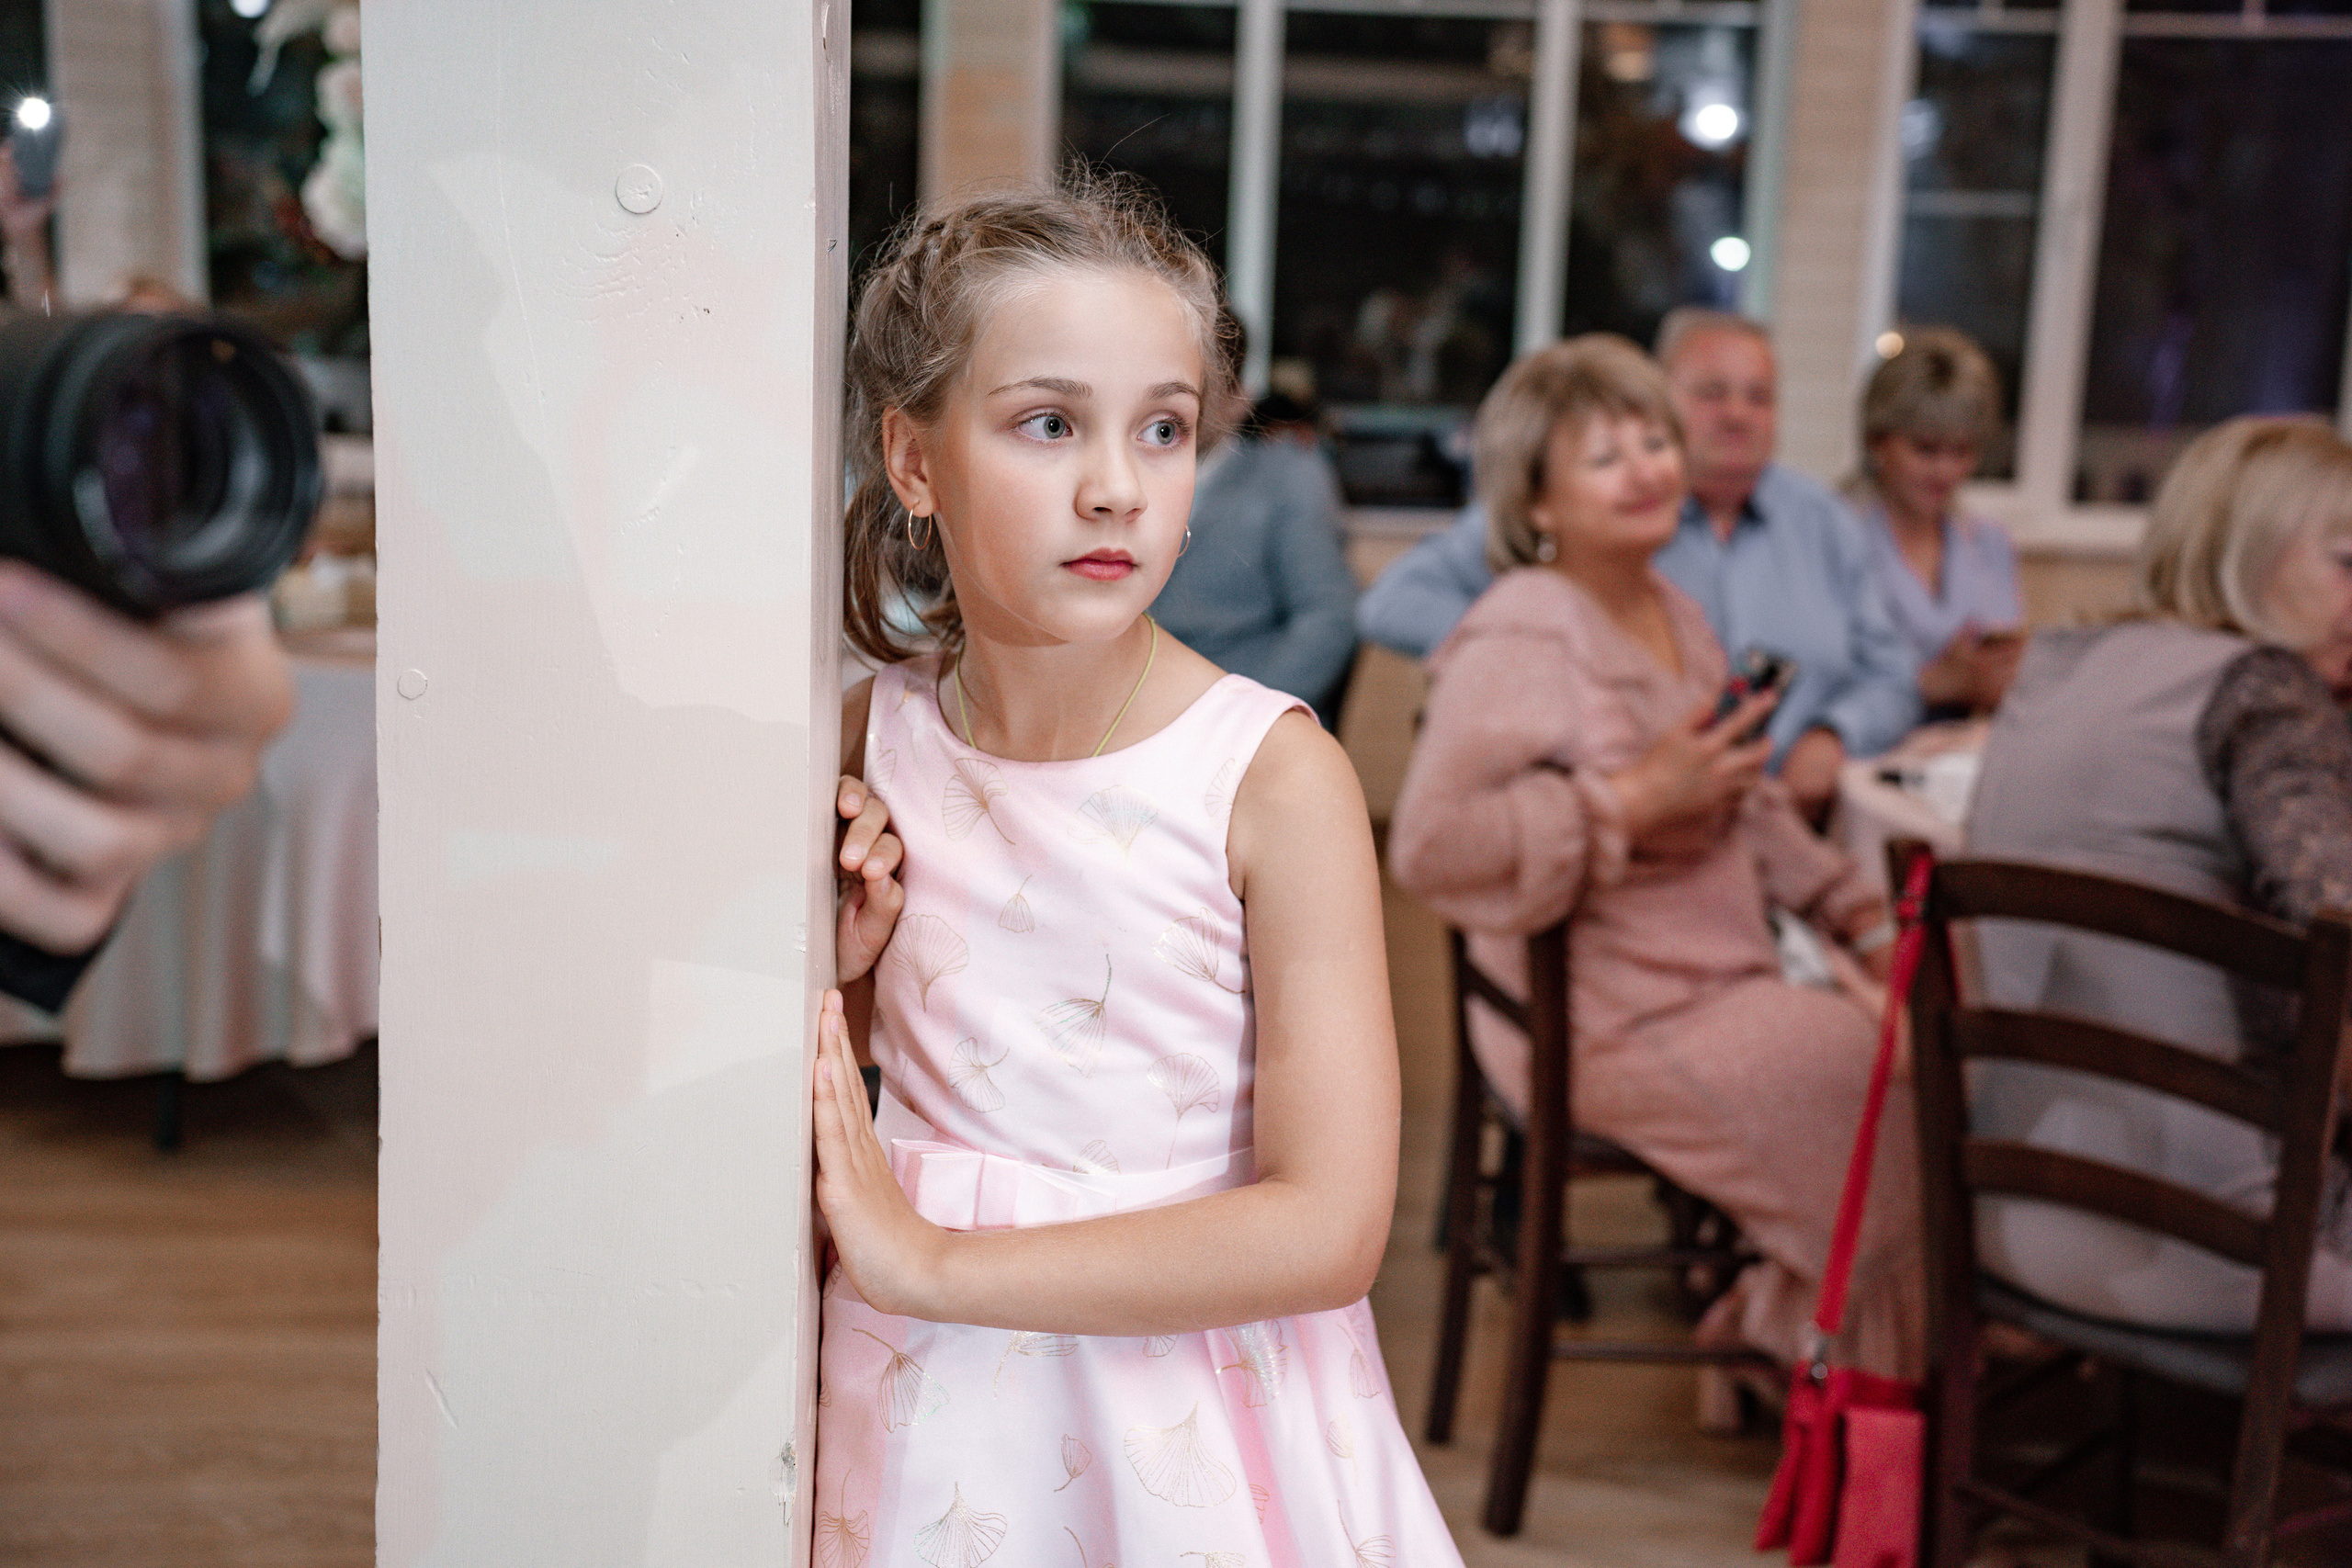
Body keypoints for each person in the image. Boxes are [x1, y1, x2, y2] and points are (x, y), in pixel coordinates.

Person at [808, 181, 1462, 1564]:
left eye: (1162, 429)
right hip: (927, 1412)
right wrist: (845, 973)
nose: (1118, 483)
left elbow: (1332, 1224)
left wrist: (931, 1261)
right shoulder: (877, 736)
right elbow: (855, 1099)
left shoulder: (1274, 778)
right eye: (1049, 423)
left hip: (1186, 1431)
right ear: (913, 460)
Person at [1386, 334, 1923, 1384]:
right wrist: (1629, 802)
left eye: (1651, 441)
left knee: (1914, 1058)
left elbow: (1741, 803)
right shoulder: (1529, 629)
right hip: (1607, 1010)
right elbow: (1432, 848)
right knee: (1898, 1089)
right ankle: (1831, 1350)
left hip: (1706, 975)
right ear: (1536, 505)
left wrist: (1854, 912)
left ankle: (1798, 1321)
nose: (1646, 469)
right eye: (1603, 457)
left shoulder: (1668, 609)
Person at [1965, 415, 2352, 1331]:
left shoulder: (2057, 666)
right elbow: (2337, 913)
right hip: (2214, 1248)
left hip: (2011, 1211)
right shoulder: (2263, 691)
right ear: (2248, 547)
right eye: (2346, 561)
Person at [1357, 309, 1920, 821]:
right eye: (1712, 393)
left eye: (1759, 396)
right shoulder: (1587, 511)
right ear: (1659, 396)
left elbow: (1894, 671)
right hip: (1624, 824)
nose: (1737, 415)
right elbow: (1392, 602)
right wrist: (1548, 660)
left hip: (1786, 819)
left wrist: (1833, 734)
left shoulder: (1826, 521)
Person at [1149, 314, 1359, 718]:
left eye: (1193, 394)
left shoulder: (1288, 476)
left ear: (1237, 401)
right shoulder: (1115, 478)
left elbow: (1327, 618)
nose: (1169, 412)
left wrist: (1241, 715)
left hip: (1231, 716)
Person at [1845, 328, 2022, 716]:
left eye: (1962, 451)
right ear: (1877, 441)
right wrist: (1931, 683)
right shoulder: (1837, 537)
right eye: (1926, 449)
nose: (1945, 472)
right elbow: (1821, 678)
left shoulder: (1991, 544)